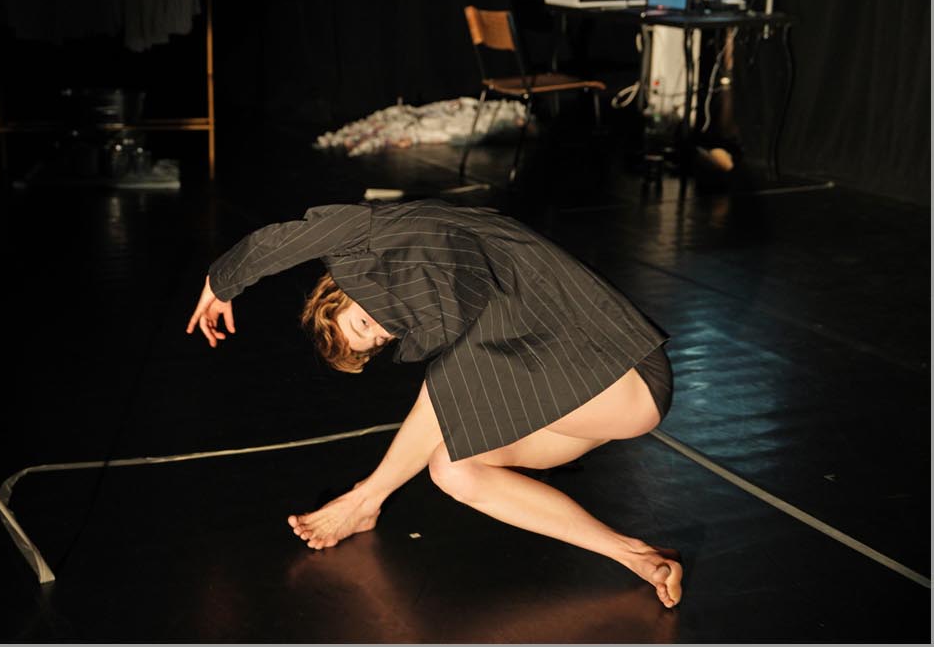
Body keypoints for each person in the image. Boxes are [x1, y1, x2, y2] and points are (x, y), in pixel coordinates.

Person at [186, 199, 683, 608]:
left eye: (363, 324)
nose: (382, 331)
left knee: (450, 379)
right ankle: (637, 557)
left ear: (343, 289)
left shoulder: (374, 237)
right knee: (454, 468)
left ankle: (365, 500)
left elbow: (289, 237)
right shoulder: (436, 312)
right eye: (377, 341)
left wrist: (222, 280)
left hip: (624, 372)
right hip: (580, 391)